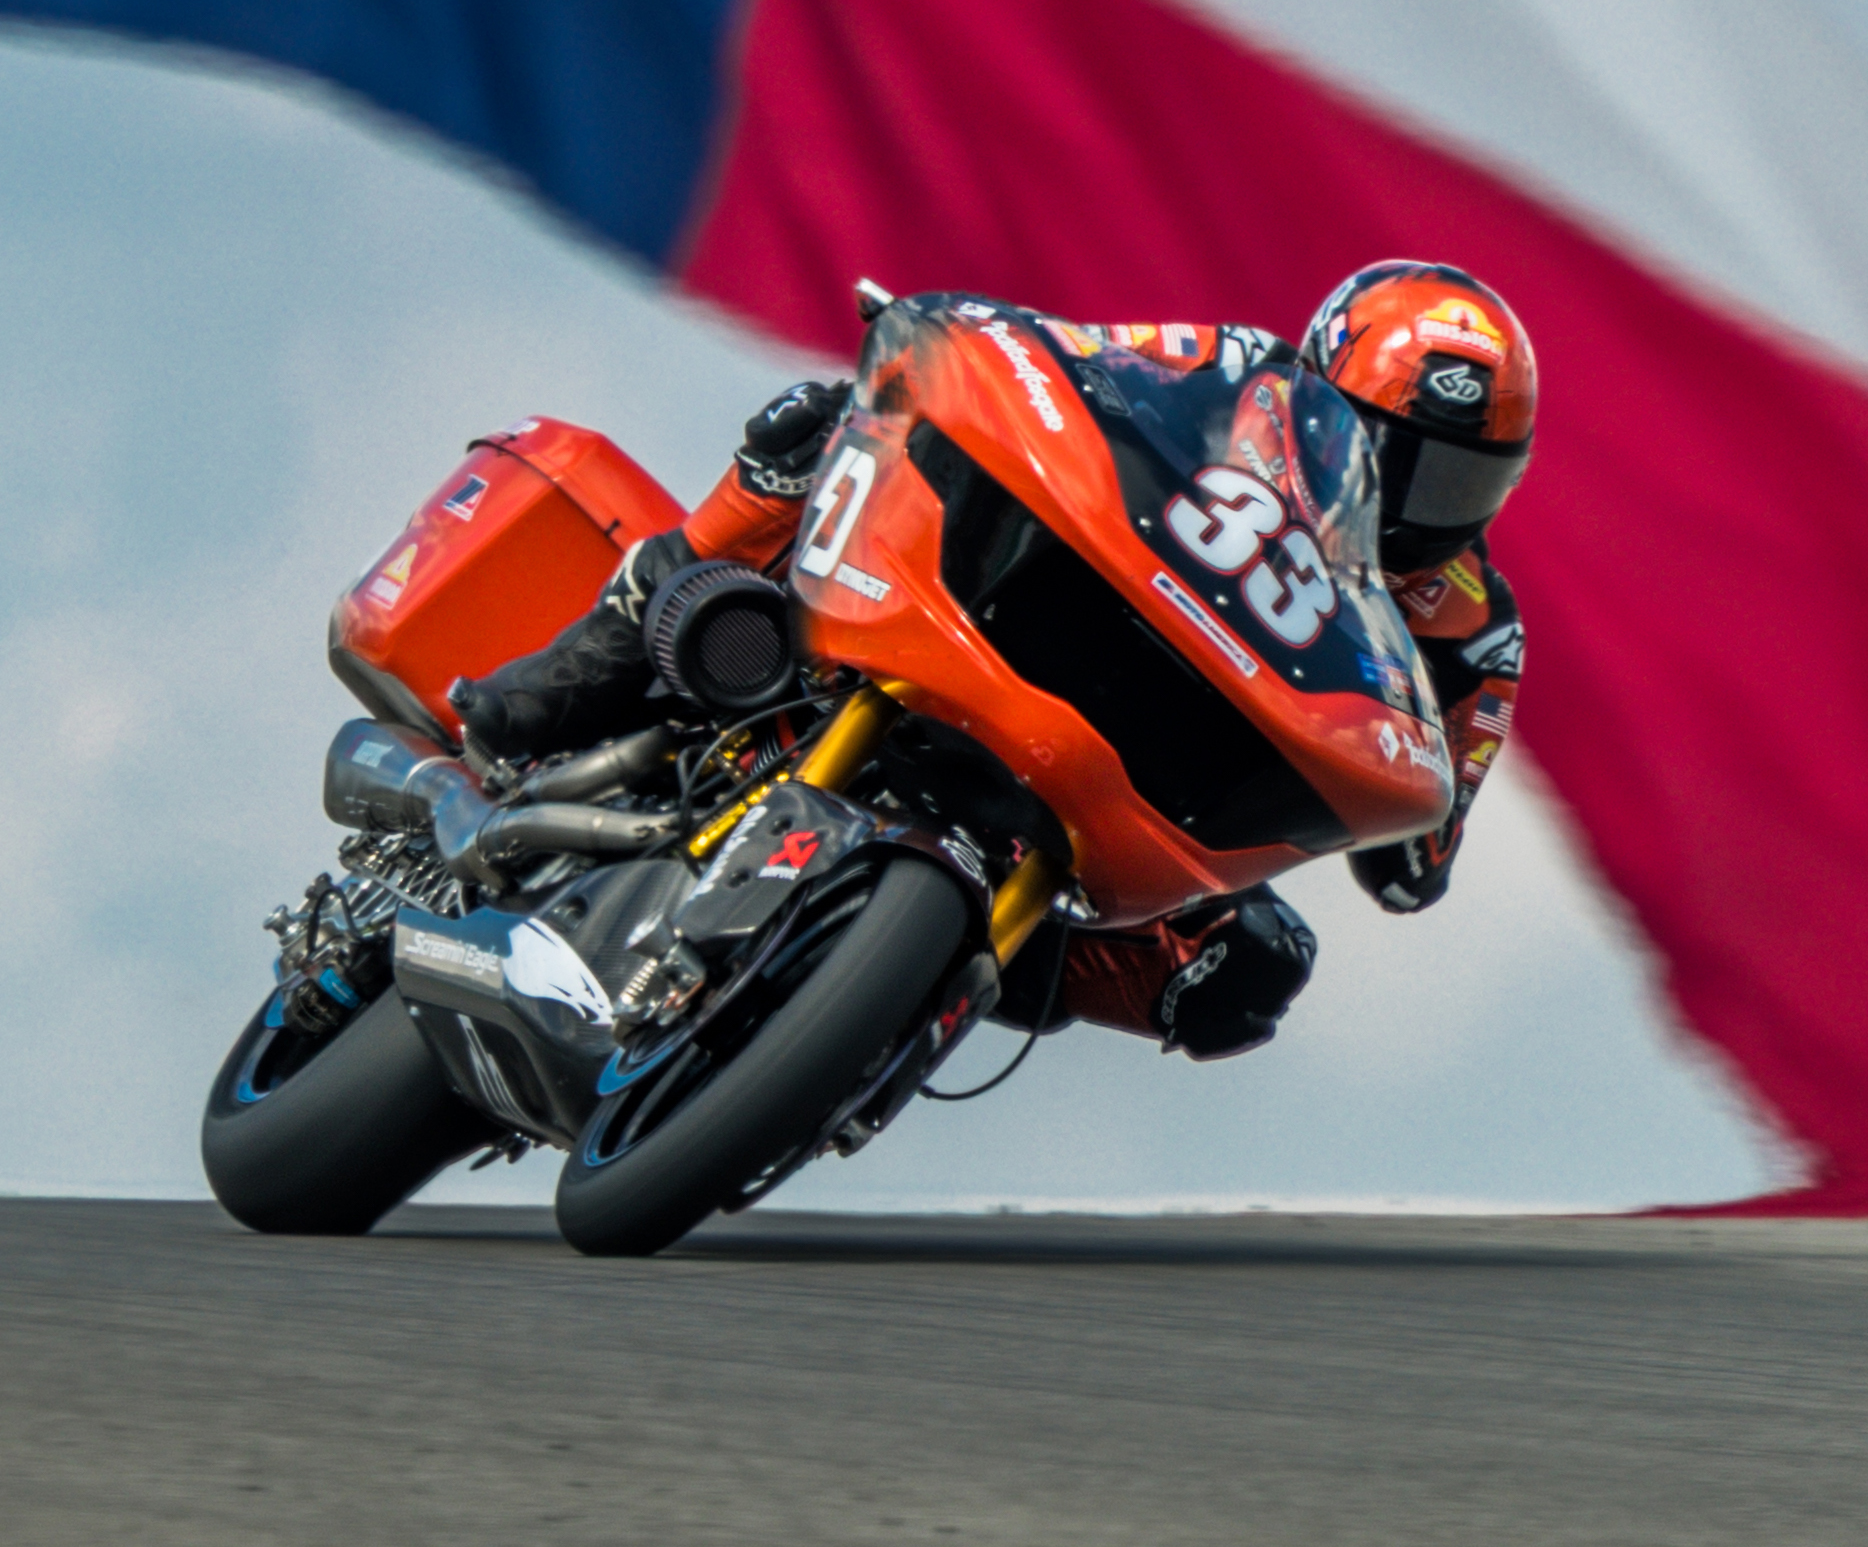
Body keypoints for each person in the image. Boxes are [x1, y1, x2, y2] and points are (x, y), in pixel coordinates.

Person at [451, 263, 1535, 1066]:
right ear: (1317, 383)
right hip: (1047, 624)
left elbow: (1414, 864)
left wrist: (1423, 753)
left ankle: (914, 982)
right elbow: (1078, 358)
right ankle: (569, 676)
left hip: (1151, 775)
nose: (1401, 497)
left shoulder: (1474, 632)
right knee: (811, 422)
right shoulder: (1234, 369)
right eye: (1380, 448)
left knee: (1246, 974)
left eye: (1449, 483)